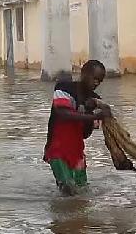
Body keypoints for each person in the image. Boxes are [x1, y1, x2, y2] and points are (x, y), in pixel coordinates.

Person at [43, 60, 112, 196]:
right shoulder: (64, 88)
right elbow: (62, 113)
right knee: (68, 189)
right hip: (57, 149)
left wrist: (92, 113)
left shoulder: (93, 99)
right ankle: (62, 216)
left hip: (77, 152)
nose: (96, 83)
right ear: (83, 73)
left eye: (100, 81)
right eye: (95, 78)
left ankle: (76, 217)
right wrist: (92, 116)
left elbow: (85, 134)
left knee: (82, 192)